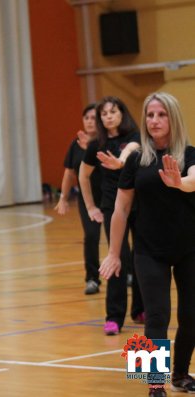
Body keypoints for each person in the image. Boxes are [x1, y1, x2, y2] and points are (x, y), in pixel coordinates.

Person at [100, 92, 195, 397]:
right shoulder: (137, 159)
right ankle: (154, 384)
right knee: (156, 315)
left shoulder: (190, 154)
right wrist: (114, 252)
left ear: (173, 118)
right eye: (150, 115)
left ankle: (180, 374)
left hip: (189, 247)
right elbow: (121, 210)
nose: (154, 121)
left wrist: (179, 182)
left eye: (161, 115)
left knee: (192, 315)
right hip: (147, 249)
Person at [79, 96, 144, 335]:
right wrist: (90, 207)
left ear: (122, 113)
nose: (108, 116)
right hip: (112, 207)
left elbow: (132, 149)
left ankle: (140, 309)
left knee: (142, 256)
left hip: (139, 204)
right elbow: (83, 175)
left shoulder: (135, 137)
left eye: (113, 111)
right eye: (104, 113)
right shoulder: (97, 144)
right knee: (117, 258)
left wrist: (120, 162)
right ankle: (114, 317)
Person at [54, 104, 103, 295]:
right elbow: (69, 173)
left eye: (93, 117)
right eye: (87, 118)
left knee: (120, 237)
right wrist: (63, 198)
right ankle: (92, 279)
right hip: (87, 199)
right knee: (91, 236)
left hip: (110, 197)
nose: (90, 121)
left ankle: (128, 273)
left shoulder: (106, 142)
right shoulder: (75, 144)